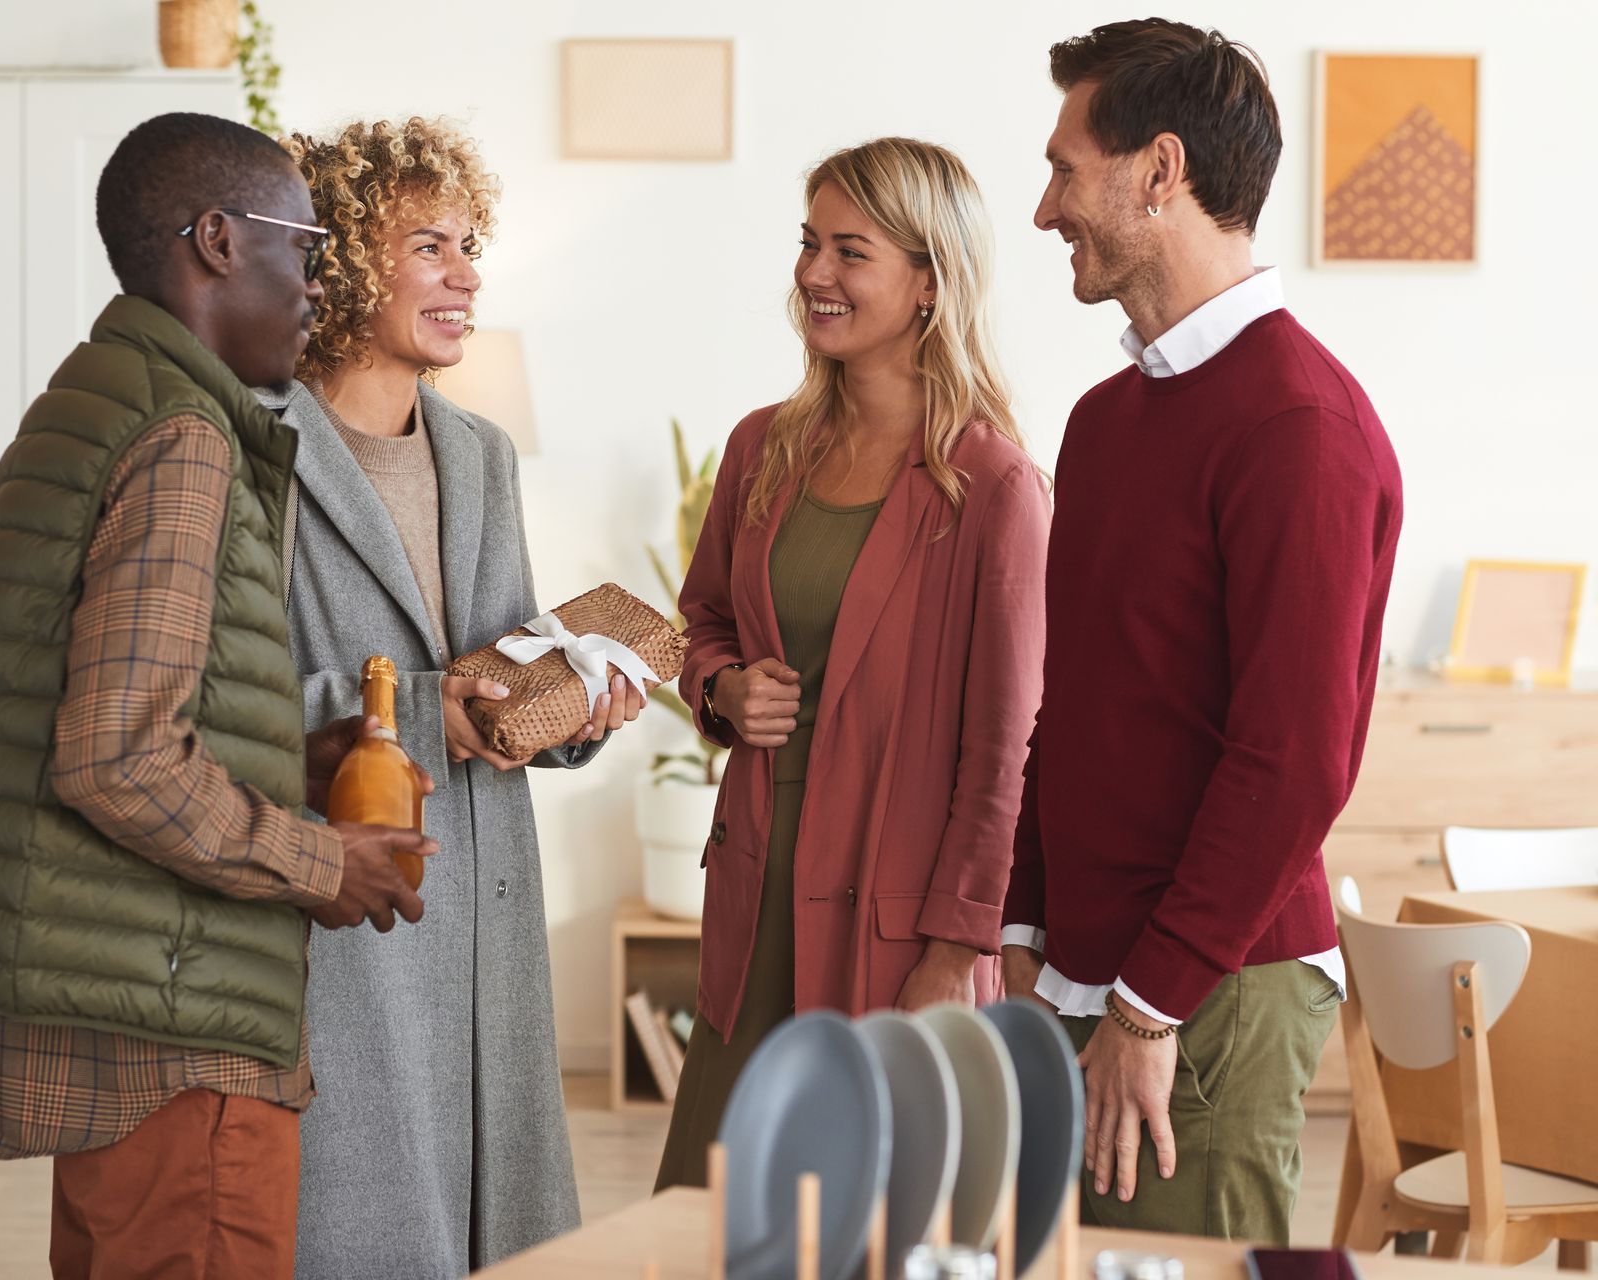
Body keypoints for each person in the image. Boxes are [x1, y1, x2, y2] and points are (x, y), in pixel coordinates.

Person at [0, 111, 437, 1277]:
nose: (316, 284)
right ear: (214, 240)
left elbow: (89, 698)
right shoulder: (186, 437)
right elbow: (116, 756)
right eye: (302, 246)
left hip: (109, 999)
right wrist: (320, 858)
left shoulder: (92, 399)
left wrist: (289, 756)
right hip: (175, 1035)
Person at [1007, 19, 1404, 1242]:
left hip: (1203, 1002)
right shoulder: (1104, 419)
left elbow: (1294, 760)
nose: (1043, 209)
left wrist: (1146, 1006)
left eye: (1066, 169)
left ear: (1159, 171)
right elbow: (1069, 705)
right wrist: (1022, 927)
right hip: (1084, 983)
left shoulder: (1299, 425)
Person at [257, 116, 647, 1279]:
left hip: (488, 896)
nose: (468, 274)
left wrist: (570, 699)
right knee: (366, 1229)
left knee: (498, 1234)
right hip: (351, 904)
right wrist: (433, 709)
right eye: (431, 245)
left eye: (472, 244)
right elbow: (229, 698)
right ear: (339, 261)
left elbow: (499, 662)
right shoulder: (255, 448)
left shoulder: (481, 453)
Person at [655, 136, 1050, 1190]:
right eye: (808, 244)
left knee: (863, 1224)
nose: (814, 275)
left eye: (849, 251)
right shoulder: (760, 447)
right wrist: (723, 689)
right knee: (714, 1214)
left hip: (893, 919)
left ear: (929, 280)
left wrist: (949, 953)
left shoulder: (993, 487)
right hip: (756, 899)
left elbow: (1002, 750)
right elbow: (695, 624)